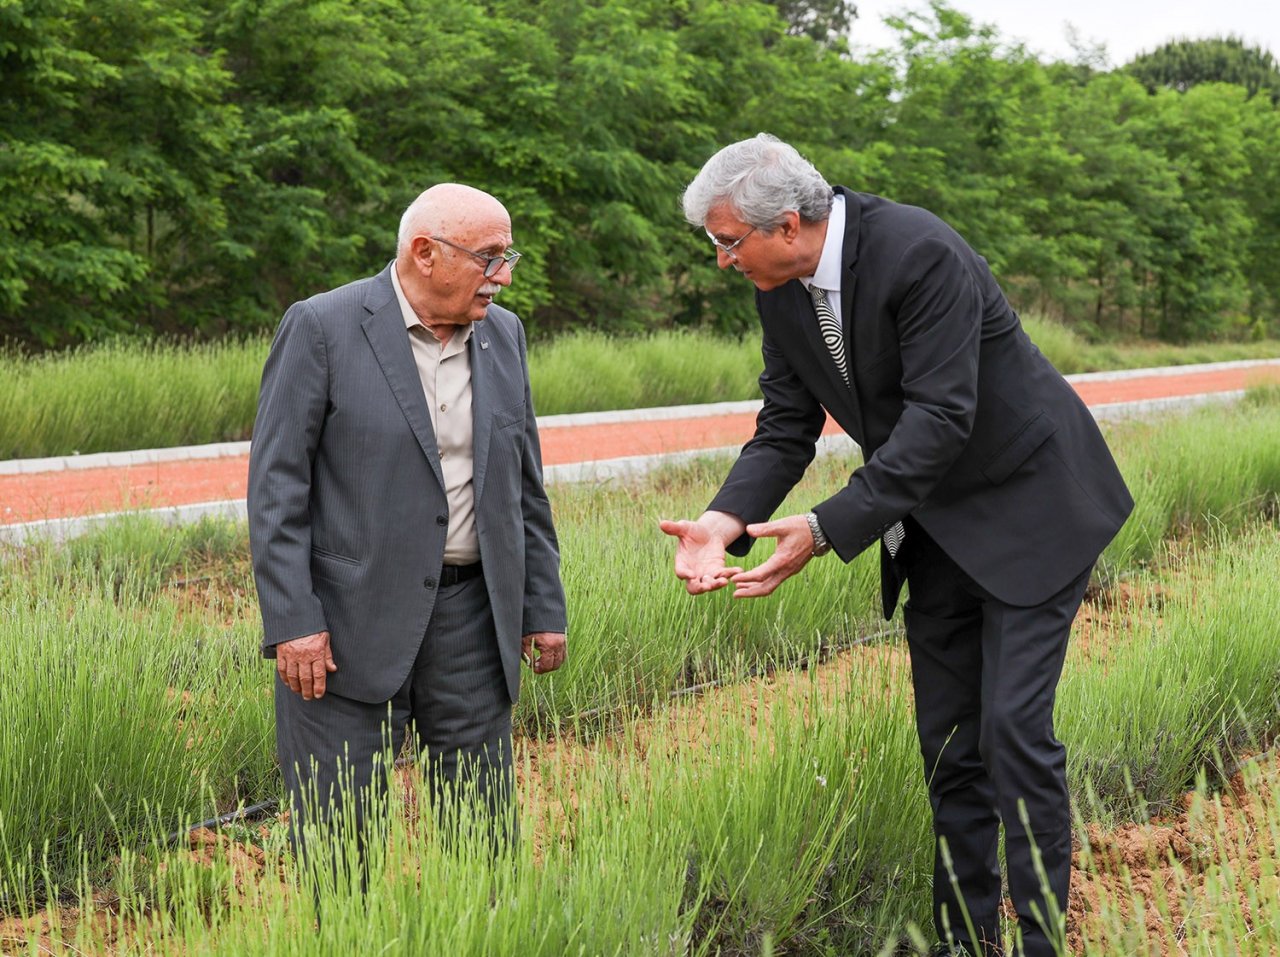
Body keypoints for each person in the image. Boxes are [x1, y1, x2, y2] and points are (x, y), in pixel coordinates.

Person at [660, 135, 1132, 956]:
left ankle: (1044, 942)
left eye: (728, 243)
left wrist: (821, 528)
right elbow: (784, 426)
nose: (723, 263)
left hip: (1030, 510)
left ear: (791, 222)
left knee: (1013, 733)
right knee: (950, 747)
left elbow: (940, 420)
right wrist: (723, 520)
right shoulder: (782, 289)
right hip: (934, 525)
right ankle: (962, 939)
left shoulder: (919, 252)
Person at [248, 183, 567, 866]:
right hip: (343, 626)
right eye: (490, 258)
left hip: (474, 620)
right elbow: (277, 488)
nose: (504, 276)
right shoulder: (322, 327)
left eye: (508, 256)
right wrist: (292, 620)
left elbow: (523, 483)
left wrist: (542, 603)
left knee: (482, 837)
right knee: (339, 844)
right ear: (425, 253)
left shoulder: (504, 335)